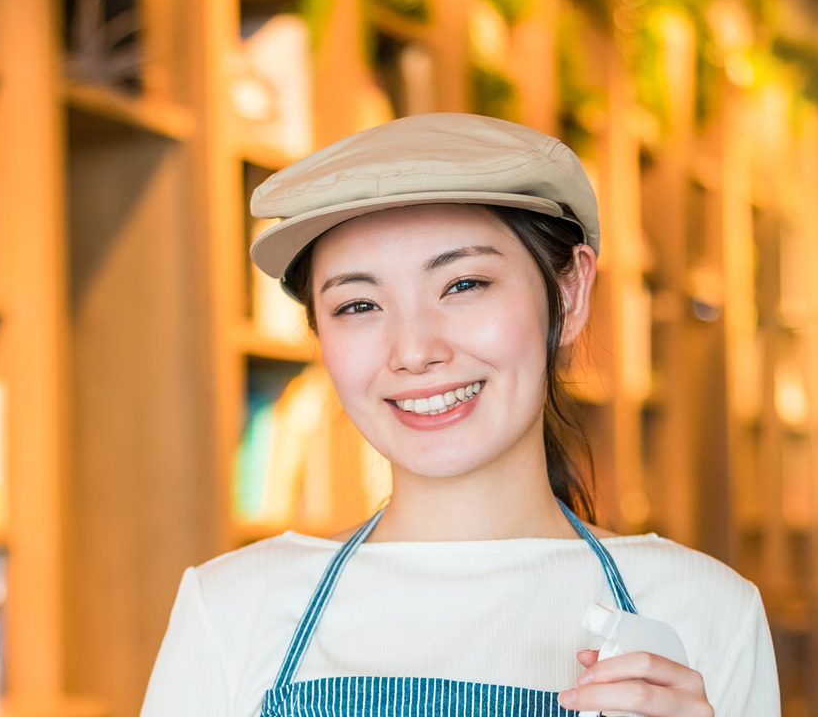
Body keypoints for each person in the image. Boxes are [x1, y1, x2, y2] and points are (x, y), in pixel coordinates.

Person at [140, 113, 781, 716]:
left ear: (570, 291)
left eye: (463, 285)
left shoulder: (707, 612)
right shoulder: (228, 609)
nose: (415, 351)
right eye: (358, 305)